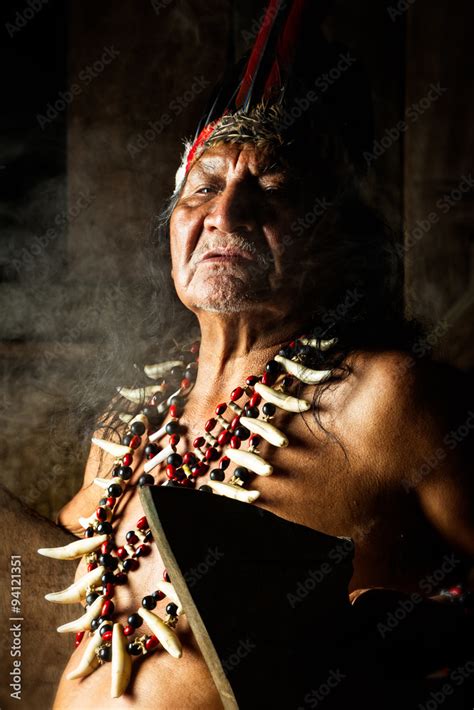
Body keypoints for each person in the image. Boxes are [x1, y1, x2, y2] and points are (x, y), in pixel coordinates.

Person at [4, 2, 474, 709]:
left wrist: (416, 643)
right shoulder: (129, 422)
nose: (225, 214)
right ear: (173, 230)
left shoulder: (390, 398)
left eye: (273, 187)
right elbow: (49, 589)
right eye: (204, 186)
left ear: (336, 235)